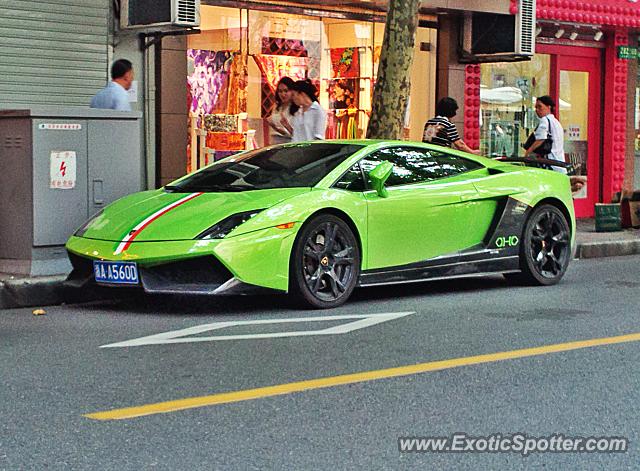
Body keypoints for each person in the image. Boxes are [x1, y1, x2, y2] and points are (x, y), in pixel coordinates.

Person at [524, 95, 566, 173]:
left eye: (540, 107)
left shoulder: (545, 120)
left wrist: (528, 152)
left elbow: (541, 139)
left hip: (549, 163)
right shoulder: (556, 122)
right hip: (559, 163)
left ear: (548, 107)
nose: (537, 110)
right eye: (536, 107)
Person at [265, 77, 298, 145]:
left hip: (289, 144)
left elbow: (298, 135)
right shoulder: (277, 106)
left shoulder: (296, 108)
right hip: (274, 143)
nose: (283, 94)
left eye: (286, 91)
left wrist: (285, 127)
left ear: (292, 92)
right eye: (280, 91)